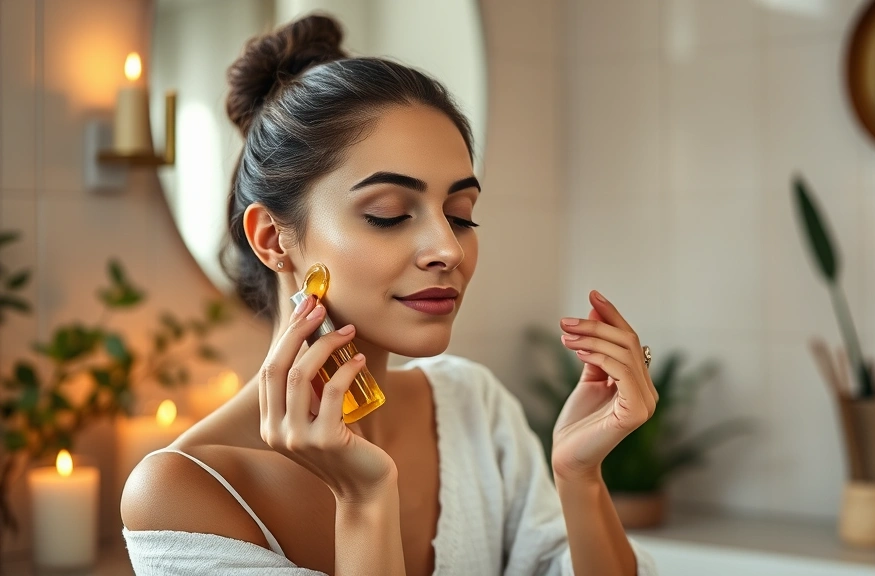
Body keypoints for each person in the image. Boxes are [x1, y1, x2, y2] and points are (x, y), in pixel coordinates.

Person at [120, 13, 659, 576]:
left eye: (460, 216)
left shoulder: (474, 407)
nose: (447, 249)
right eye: (389, 215)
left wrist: (579, 477)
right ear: (272, 239)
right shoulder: (182, 493)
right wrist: (363, 500)